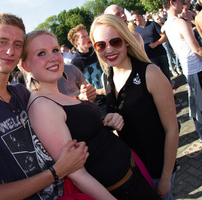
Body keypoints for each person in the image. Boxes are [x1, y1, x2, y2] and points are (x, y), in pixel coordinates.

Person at [0, 13, 88, 200]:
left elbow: (56, 124)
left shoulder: (21, 93)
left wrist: (92, 109)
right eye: (2, 42)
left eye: (17, 44)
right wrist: (56, 172)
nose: (10, 51)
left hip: (68, 192)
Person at [20, 29, 161, 200]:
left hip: (132, 176)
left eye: (55, 50)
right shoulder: (42, 106)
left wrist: (105, 122)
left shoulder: (55, 94)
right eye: (41, 53)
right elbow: (76, 174)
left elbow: (84, 133)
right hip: (120, 191)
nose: (53, 57)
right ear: (26, 66)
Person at [89, 14, 179, 200]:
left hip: (157, 171)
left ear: (127, 41)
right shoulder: (108, 76)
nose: (109, 50)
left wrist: (165, 178)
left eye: (115, 42)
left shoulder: (150, 74)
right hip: (133, 171)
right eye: (101, 45)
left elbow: (172, 129)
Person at [163, 0, 202, 141]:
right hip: (198, 67)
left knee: (195, 102)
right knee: (197, 101)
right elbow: (196, 48)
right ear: (172, 2)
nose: (184, 4)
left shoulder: (167, 25)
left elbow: (177, 49)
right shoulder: (178, 23)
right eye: (181, 1)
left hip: (188, 68)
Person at [68, 24, 107, 117]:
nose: (88, 37)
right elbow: (80, 90)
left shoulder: (97, 51)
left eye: (87, 34)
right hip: (97, 104)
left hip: (112, 95)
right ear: (76, 42)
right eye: (83, 36)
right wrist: (100, 91)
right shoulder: (75, 64)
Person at [131, 10, 172, 82]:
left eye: (135, 19)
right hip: (150, 57)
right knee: (157, 76)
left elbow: (164, 37)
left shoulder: (153, 24)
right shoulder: (136, 30)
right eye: (133, 20)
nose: (134, 21)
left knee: (166, 73)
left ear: (140, 16)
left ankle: (170, 89)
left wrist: (155, 44)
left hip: (160, 53)